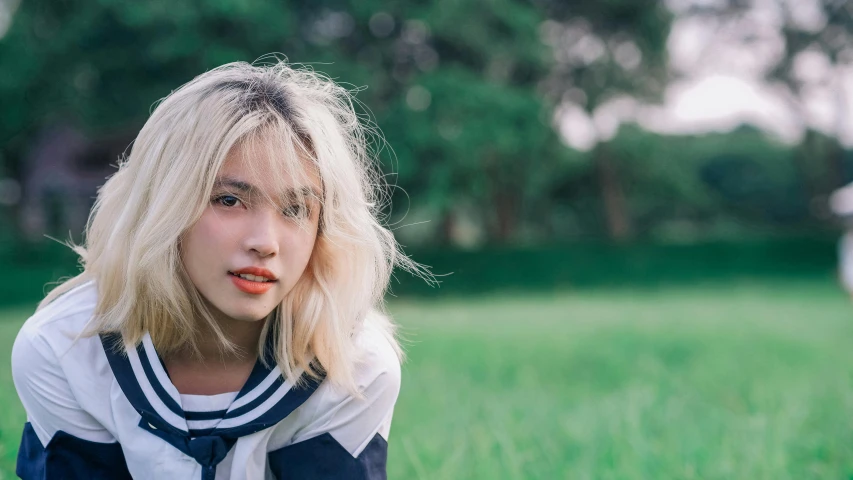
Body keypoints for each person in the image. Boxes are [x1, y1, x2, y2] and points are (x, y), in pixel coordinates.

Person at [11, 60, 429, 479]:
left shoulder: (353, 364)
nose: (265, 242)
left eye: (296, 209)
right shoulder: (63, 349)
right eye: (229, 200)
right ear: (161, 203)